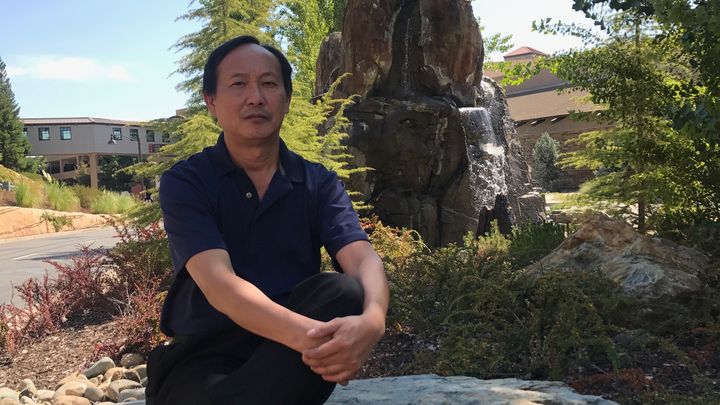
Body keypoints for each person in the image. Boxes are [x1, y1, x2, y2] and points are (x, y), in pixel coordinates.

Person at [145, 35, 389, 405]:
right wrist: (323, 342)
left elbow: (361, 258)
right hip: (205, 357)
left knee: (344, 293)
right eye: (238, 84)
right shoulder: (188, 181)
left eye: (269, 84)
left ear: (286, 100)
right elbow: (222, 286)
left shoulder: (317, 182)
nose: (255, 97)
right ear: (211, 102)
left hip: (290, 354)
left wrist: (373, 320)